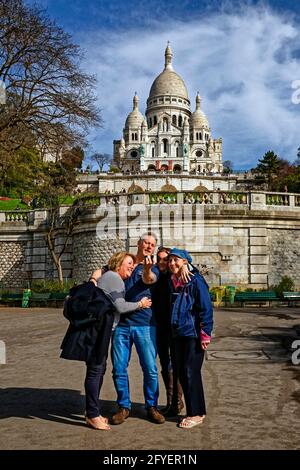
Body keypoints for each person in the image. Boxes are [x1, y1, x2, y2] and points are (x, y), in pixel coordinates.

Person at [60, 252, 151, 430]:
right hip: (98, 331)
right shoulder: (114, 278)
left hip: (98, 330)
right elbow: (120, 306)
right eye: (129, 263)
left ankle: (93, 412)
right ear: (118, 264)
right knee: (95, 370)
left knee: (98, 369)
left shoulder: (109, 276)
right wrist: (141, 304)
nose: (132, 266)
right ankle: (92, 414)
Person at [109, 233, 165, 425]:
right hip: (121, 325)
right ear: (139, 244)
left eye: (152, 244)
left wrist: (148, 269)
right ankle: (124, 406)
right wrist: (94, 277)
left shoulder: (153, 268)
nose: (149, 246)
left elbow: (149, 279)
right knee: (118, 368)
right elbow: (105, 272)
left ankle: (151, 406)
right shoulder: (125, 262)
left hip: (145, 325)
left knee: (150, 368)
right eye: (146, 243)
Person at [168, 248, 213, 429]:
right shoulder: (173, 280)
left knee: (190, 372)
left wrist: (205, 334)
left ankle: (197, 413)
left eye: (176, 260)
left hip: (194, 334)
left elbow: (206, 308)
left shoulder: (195, 281)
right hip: (178, 333)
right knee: (182, 373)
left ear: (186, 262)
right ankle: (192, 411)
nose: (172, 263)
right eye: (170, 260)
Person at [152, 247, 184, 417]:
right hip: (160, 327)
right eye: (161, 259)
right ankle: (172, 401)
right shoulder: (156, 277)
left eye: (167, 259)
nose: (164, 262)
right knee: (165, 365)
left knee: (175, 365)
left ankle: (176, 402)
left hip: (174, 327)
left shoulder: (176, 277)